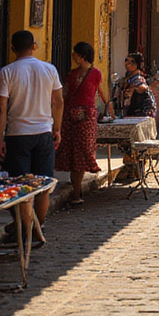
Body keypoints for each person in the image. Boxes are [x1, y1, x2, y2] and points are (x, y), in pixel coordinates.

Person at [0, 30, 63, 239]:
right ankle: (37, 227)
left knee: (20, 185)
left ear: (13, 48)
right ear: (34, 46)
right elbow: (58, 102)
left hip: (18, 134)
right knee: (43, 184)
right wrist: (57, 129)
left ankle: (24, 229)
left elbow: (0, 109)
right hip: (43, 132)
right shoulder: (49, 69)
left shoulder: (8, 72)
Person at [56, 41, 110, 204]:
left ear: (82, 56)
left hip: (86, 118)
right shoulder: (71, 75)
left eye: (76, 54)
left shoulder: (96, 74)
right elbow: (64, 94)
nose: (73, 57)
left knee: (83, 152)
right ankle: (76, 192)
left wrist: (111, 113)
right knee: (72, 154)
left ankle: (77, 191)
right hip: (70, 118)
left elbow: (103, 94)